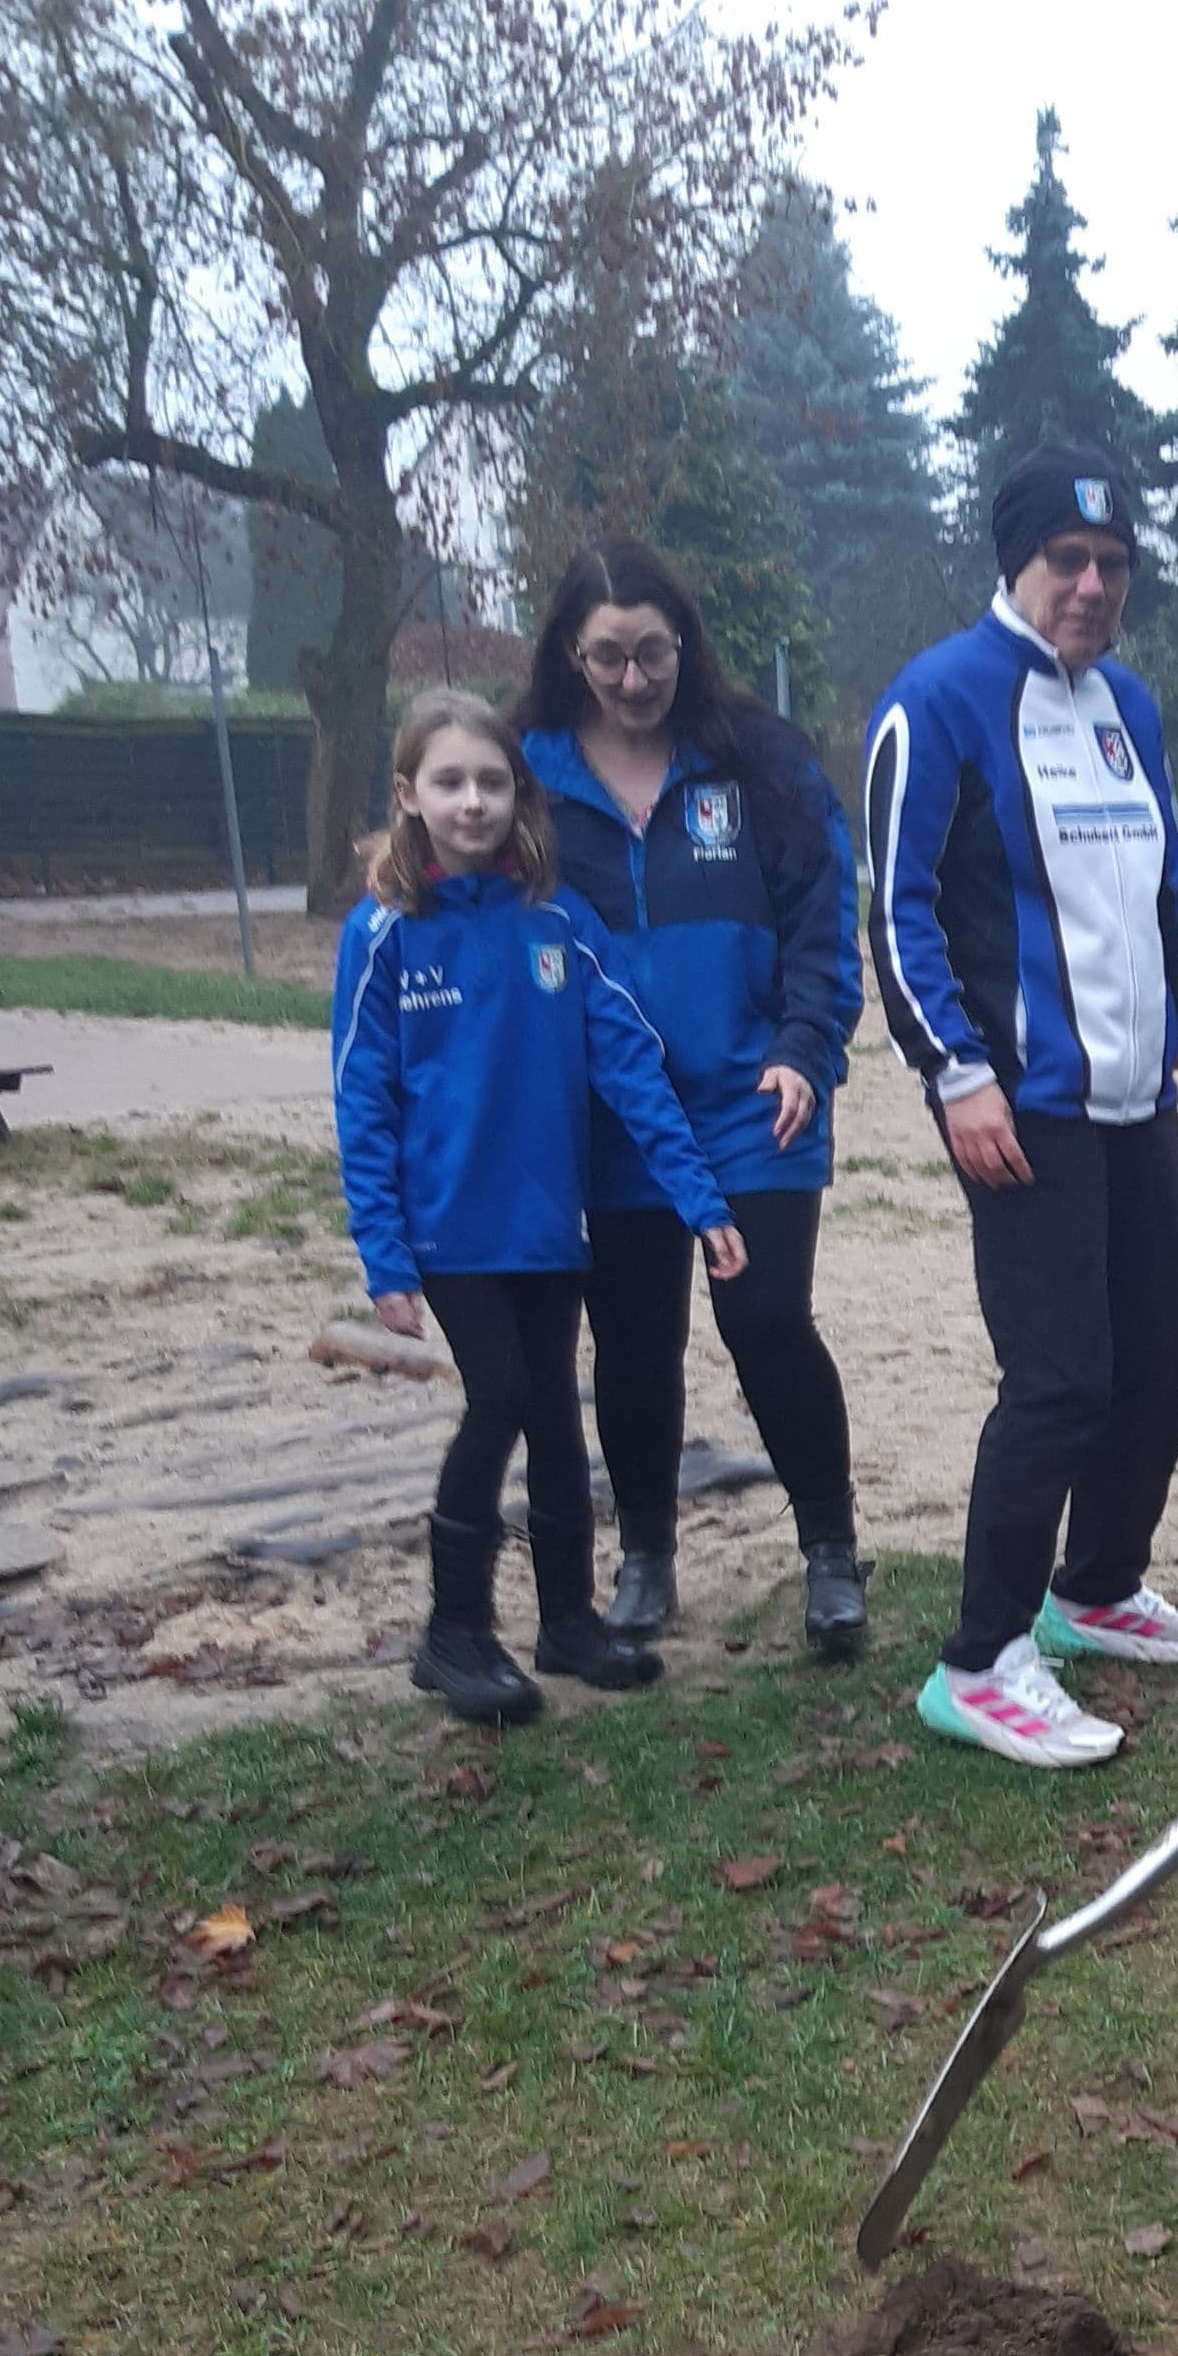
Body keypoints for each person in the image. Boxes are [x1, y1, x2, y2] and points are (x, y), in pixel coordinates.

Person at [863, 443, 1178, 1771]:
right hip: (1020, 1104)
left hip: (1134, 1097)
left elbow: (1167, 891)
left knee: (1166, 1360)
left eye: (1113, 566)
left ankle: (1094, 1589)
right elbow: (897, 909)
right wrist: (954, 1073)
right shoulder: (940, 701)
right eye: (1066, 563)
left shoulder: (1128, 707)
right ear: (1015, 564)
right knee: (1061, 1382)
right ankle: (980, 1661)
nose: (1091, 586)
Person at [332, 689, 747, 1728]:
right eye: (448, 781)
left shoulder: (559, 923)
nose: (471, 801)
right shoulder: (383, 934)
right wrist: (385, 1258)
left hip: (550, 1225)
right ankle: (454, 1632)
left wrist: (699, 1198)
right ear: (409, 795)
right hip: (449, 1232)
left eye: (491, 780)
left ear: (520, 793)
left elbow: (632, 1066)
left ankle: (565, 1618)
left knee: (559, 1413)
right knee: (503, 1397)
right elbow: (362, 1101)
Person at [521, 540, 869, 1662]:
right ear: (573, 656)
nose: (635, 679)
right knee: (630, 1342)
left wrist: (805, 1046)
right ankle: (647, 1564)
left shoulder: (757, 759)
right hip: (610, 1114)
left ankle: (828, 1553)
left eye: (654, 652)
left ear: (686, 644)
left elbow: (824, 914)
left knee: (765, 1319)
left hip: (750, 1102)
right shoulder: (526, 775)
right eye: (610, 657)